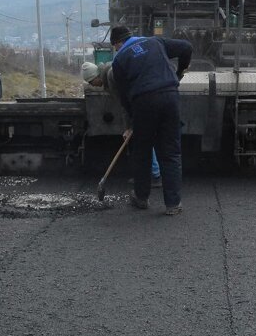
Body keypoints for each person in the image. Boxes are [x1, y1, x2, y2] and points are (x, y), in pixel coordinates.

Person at [108, 26, 192, 215]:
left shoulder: (119, 60)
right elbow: (186, 47)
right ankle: (173, 204)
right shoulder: (155, 42)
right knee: (171, 151)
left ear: (118, 43)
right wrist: (179, 72)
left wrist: (132, 123)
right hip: (170, 97)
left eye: (115, 46)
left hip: (143, 102)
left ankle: (141, 198)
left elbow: (124, 95)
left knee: (142, 151)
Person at [81, 61, 162, 189]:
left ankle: (155, 175)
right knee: (143, 140)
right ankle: (146, 174)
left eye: (91, 82)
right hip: (145, 98)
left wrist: (129, 127)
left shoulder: (112, 77)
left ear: (95, 77)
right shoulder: (110, 73)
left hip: (144, 101)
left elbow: (125, 103)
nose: (94, 86)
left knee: (144, 140)